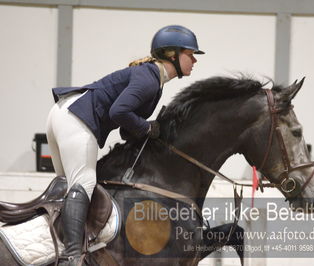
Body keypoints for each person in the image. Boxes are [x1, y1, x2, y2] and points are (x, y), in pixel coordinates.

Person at [46, 25, 204, 265]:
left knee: (67, 187)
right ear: (172, 54)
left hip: (62, 114)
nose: (194, 60)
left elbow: (123, 127)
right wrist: (147, 128)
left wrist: (147, 130)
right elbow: (119, 111)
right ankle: (71, 258)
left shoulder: (152, 79)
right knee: (84, 183)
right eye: (190, 54)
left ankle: (51, 244)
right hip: (77, 118)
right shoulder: (150, 79)